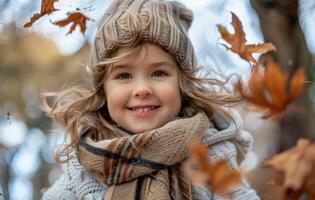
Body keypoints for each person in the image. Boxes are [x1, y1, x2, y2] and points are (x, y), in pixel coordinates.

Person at [42, 0, 260, 199]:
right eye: (124, 76)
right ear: (103, 91)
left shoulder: (210, 154)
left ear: (182, 84)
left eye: (159, 73)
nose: (142, 89)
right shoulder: (86, 166)